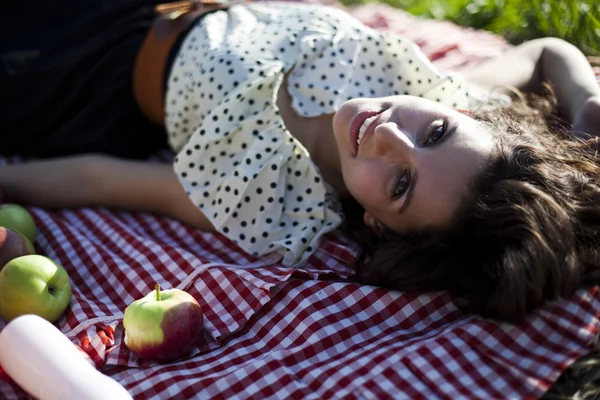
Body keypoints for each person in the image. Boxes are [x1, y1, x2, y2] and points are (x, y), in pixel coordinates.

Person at [1, 0, 600, 322]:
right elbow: (547, 51)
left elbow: (98, 178)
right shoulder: (442, 89)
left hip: (76, 79)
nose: (392, 135)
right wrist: (587, 106)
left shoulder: (271, 201)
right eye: (437, 131)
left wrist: (6, 180)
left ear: (380, 227)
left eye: (399, 184)